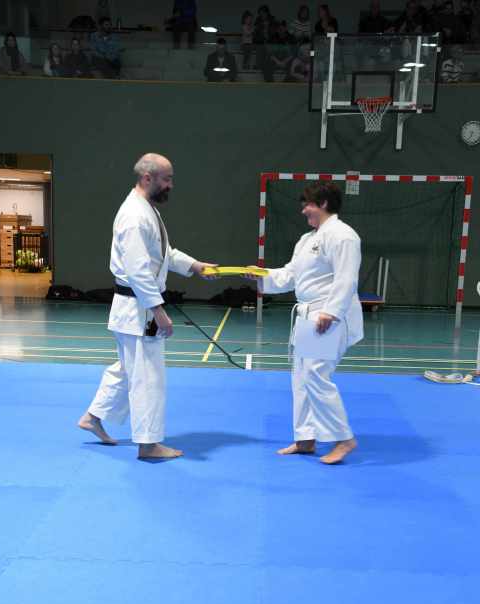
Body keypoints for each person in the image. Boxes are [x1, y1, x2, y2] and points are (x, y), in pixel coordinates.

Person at [78, 153, 216, 460]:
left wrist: (195, 266)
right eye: (167, 179)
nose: (171, 185)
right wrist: (158, 311)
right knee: (147, 377)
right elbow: (139, 270)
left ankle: (93, 417)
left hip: (134, 308)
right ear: (147, 178)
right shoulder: (135, 216)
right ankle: (148, 444)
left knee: (129, 370)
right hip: (138, 309)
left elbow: (164, 254)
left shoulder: (145, 209)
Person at [247, 181, 363, 464]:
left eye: (307, 205)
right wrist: (260, 275)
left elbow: (347, 278)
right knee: (301, 377)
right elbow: (290, 275)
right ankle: (305, 438)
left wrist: (331, 312)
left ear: (323, 204)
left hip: (328, 315)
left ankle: (344, 439)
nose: (303, 211)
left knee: (315, 374)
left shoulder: (343, 236)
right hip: (308, 315)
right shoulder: (307, 240)